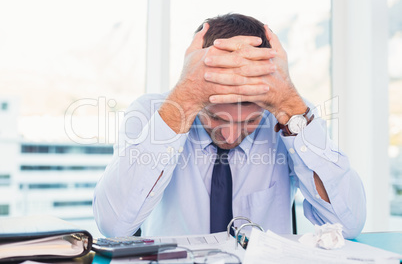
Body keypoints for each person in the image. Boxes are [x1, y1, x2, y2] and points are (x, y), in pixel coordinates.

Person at [93, 13, 366, 239]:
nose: (231, 135)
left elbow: (349, 224)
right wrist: (184, 99)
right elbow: (115, 227)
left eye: (250, 120)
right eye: (217, 118)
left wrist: (292, 107)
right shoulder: (152, 112)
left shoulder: (289, 116)